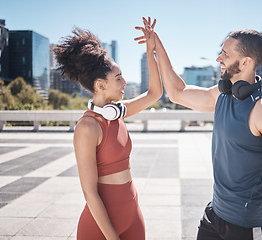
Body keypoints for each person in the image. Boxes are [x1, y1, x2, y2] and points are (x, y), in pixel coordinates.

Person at [135, 17, 262, 240]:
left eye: (226, 54)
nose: (218, 58)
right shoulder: (223, 94)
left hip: (248, 226)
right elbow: (177, 92)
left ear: (246, 62)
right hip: (215, 215)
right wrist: (157, 47)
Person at [54, 19, 161, 240]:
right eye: (118, 78)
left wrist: (150, 50)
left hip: (132, 215)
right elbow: (89, 192)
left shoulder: (118, 113)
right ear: (100, 85)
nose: (124, 83)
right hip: (100, 228)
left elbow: (154, 94)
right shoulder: (87, 127)